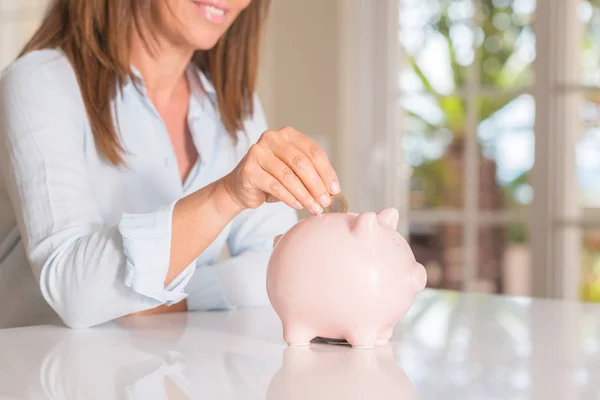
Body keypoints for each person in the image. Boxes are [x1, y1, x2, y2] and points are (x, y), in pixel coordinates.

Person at [0, 0, 340, 329]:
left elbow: (280, 266)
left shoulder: (236, 106)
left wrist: (174, 299)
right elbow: (73, 291)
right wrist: (227, 196)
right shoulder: (40, 81)